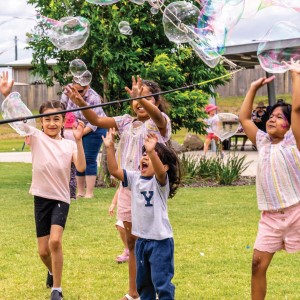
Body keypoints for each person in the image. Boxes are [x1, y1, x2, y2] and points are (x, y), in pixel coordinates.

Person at [65, 76, 171, 300]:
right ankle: (134, 293)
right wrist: (81, 102)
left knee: (148, 239)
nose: (140, 102)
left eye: (147, 96)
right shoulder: (124, 121)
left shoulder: (158, 121)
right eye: (137, 97)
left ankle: (154, 288)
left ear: (156, 101)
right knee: (132, 241)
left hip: (150, 188)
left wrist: (141, 97)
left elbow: (157, 118)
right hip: (127, 186)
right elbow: (96, 119)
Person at [239, 59, 300, 300]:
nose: (272, 119)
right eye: (270, 116)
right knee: (257, 264)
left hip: (297, 211)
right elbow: (244, 119)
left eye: (278, 117)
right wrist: (253, 87)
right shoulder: (263, 142)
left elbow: (296, 110)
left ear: (289, 125)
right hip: (270, 217)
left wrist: (296, 75)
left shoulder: (293, 142)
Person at [103, 129, 180, 300]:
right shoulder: (134, 178)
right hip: (141, 241)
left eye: (151, 156)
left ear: (164, 166)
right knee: (144, 284)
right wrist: (109, 147)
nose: (145, 157)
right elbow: (115, 171)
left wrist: (152, 150)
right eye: (144, 154)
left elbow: (160, 172)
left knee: (162, 283)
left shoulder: (160, 182)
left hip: (160, 242)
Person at [61, 81, 107, 198]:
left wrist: (80, 134)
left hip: (96, 128)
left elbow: (94, 122)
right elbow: (62, 109)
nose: (77, 94)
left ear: (87, 87)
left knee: (89, 158)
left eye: (80, 91)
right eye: (74, 90)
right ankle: (80, 192)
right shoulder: (68, 92)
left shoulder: (93, 97)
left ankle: (89, 192)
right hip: (78, 127)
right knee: (78, 157)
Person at [109, 188, 129, 263]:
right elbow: (119, 189)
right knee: (120, 226)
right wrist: (113, 203)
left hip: (137, 210)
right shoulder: (125, 179)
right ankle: (128, 250)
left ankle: (136, 252)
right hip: (125, 210)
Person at [64, 112, 77, 200]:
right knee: (72, 176)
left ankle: (65, 193)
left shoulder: (63, 132)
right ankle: (72, 195)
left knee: (65, 176)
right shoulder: (75, 132)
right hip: (73, 157)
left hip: (64, 157)